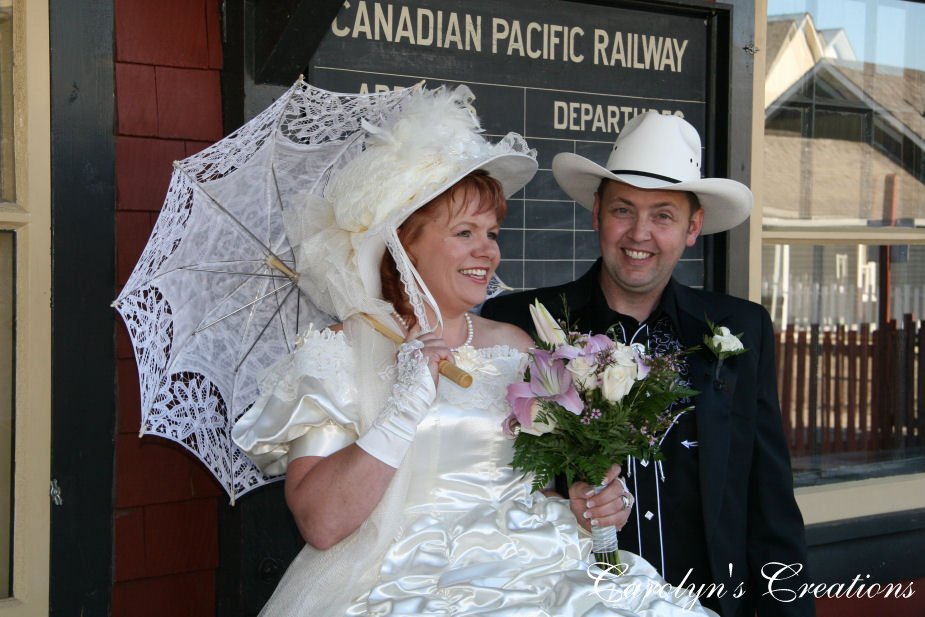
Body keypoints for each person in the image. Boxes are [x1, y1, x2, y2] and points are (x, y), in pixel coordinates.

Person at [232, 88, 717, 615]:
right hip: (409, 584)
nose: (488, 250)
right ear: (404, 241)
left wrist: (585, 506)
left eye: (492, 232)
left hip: (541, 572)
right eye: (465, 232)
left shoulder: (515, 346)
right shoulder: (340, 352)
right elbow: (321, 524)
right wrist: (402, 408)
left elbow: (528, 490)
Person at [481, 111, 815, 617]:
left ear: (692, 227)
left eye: (663, 215)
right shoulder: (523, 323)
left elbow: (769, 503)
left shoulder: (739, 329)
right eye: (623, 210)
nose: (639, 233)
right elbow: (490, 478)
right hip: (572, 602)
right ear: (596, 213)